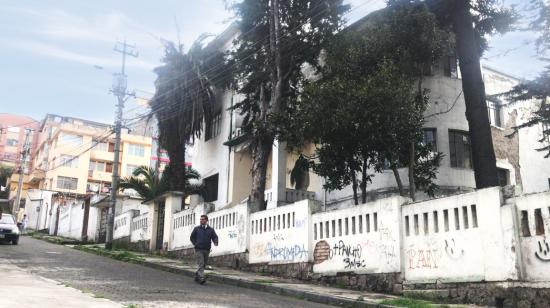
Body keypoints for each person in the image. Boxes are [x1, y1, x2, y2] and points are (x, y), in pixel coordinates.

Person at [190, 215, 218, 284]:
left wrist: (215, 241)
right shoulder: (197, 229)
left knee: (204, 264)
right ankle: (201, 278)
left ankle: (197, 276)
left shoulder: (210, 229)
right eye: (200, 219)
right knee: (201, 263)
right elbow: (192, 237)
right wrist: (195, 244)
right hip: (198, 249)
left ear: (206, 220)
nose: (201, 220)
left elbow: (215, 236)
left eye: (202, 219)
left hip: (207, 249)